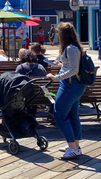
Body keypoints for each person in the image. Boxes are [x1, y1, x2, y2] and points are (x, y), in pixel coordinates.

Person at [46, 22, 85, 160]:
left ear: (62, 35)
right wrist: (62, 64)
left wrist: (56, 77)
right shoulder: (74, 48)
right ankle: (75, 146)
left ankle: (73, 148)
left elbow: (74, 70)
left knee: (59, 115)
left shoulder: (71, 49)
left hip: (69, 85)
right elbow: (73, 66)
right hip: (73, 85)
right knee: (73, 115)